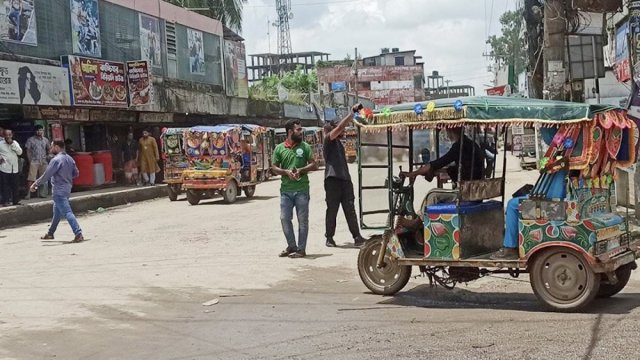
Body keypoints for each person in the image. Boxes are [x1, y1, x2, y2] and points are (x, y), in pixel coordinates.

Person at [490, 170, 568, 260]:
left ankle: (510, 247)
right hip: (554, 202)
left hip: (553, 207)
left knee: (512, 205)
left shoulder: (559, 166)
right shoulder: (562, 166)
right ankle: (515, 241)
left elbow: (553, 194)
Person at [271, 119, 318, 258]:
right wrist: (285, 172)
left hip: (302, 190)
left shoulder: (305, 147)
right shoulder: (279, 148)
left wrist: (301, 170)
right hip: (286, 191)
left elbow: (314, 164)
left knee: (302, 220)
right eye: (298, 130)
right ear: (290, 132)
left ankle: (301, 249)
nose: (301, 132)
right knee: (284, 218)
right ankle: (292, 246)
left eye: (301, 129)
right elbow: (274, 167)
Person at [323, 104, 366, 248]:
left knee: (350, 209)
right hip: (333, 180)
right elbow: (340, 128)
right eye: (337, 127)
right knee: (332, 210)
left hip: (345, 180)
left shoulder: (339, 144)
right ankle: (329, 237)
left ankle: (357, 236)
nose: (343, 130)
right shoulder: (328, 140)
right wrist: (352, 113)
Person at [31, 140, 83, 243]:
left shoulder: (56, 160)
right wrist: (66, 178)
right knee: (57, 214)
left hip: (59, 190)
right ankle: (50, 233)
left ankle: (78, 233)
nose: (50, 149)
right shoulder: (70, 159)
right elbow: (76, 173)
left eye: (51, 146)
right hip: (67, 189)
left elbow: (47, 174)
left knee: (67, 212)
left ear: (56, 147)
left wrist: (35, 183)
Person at [402, 127, 485, 185]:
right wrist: (432, 171)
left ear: (450, 131)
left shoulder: (459, 146)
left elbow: (438, 163)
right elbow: (453, 167)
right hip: (476, 186)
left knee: (433, 196)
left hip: (468, 188)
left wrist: (412, 174)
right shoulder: (470, 143)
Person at [25, 125, 50, 199]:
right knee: (31, 178)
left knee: (43, 178)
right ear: (35, 131)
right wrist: (30, 161)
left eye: (41, 130)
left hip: (43, 161)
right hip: (34, 161)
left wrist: (48, 156)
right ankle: (29, 194)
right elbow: (28, 151)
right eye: (38, 130)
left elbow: (49, 149)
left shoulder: (45, 140)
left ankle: (42, 194)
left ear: (43, 131)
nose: (39, 131)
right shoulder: (30, 140)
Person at [0, 129, 23, 206]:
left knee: (15, 185)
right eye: (7, 135)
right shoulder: (0, 144)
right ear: (4, 135)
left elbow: (20, 152)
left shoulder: (15, 143)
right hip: (4, 168)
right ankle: (5, 201)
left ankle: (15, 201)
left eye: (10, 135)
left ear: (12, 135)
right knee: (5, 186)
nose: (8, 136)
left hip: (14, 168)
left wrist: (12, 144)